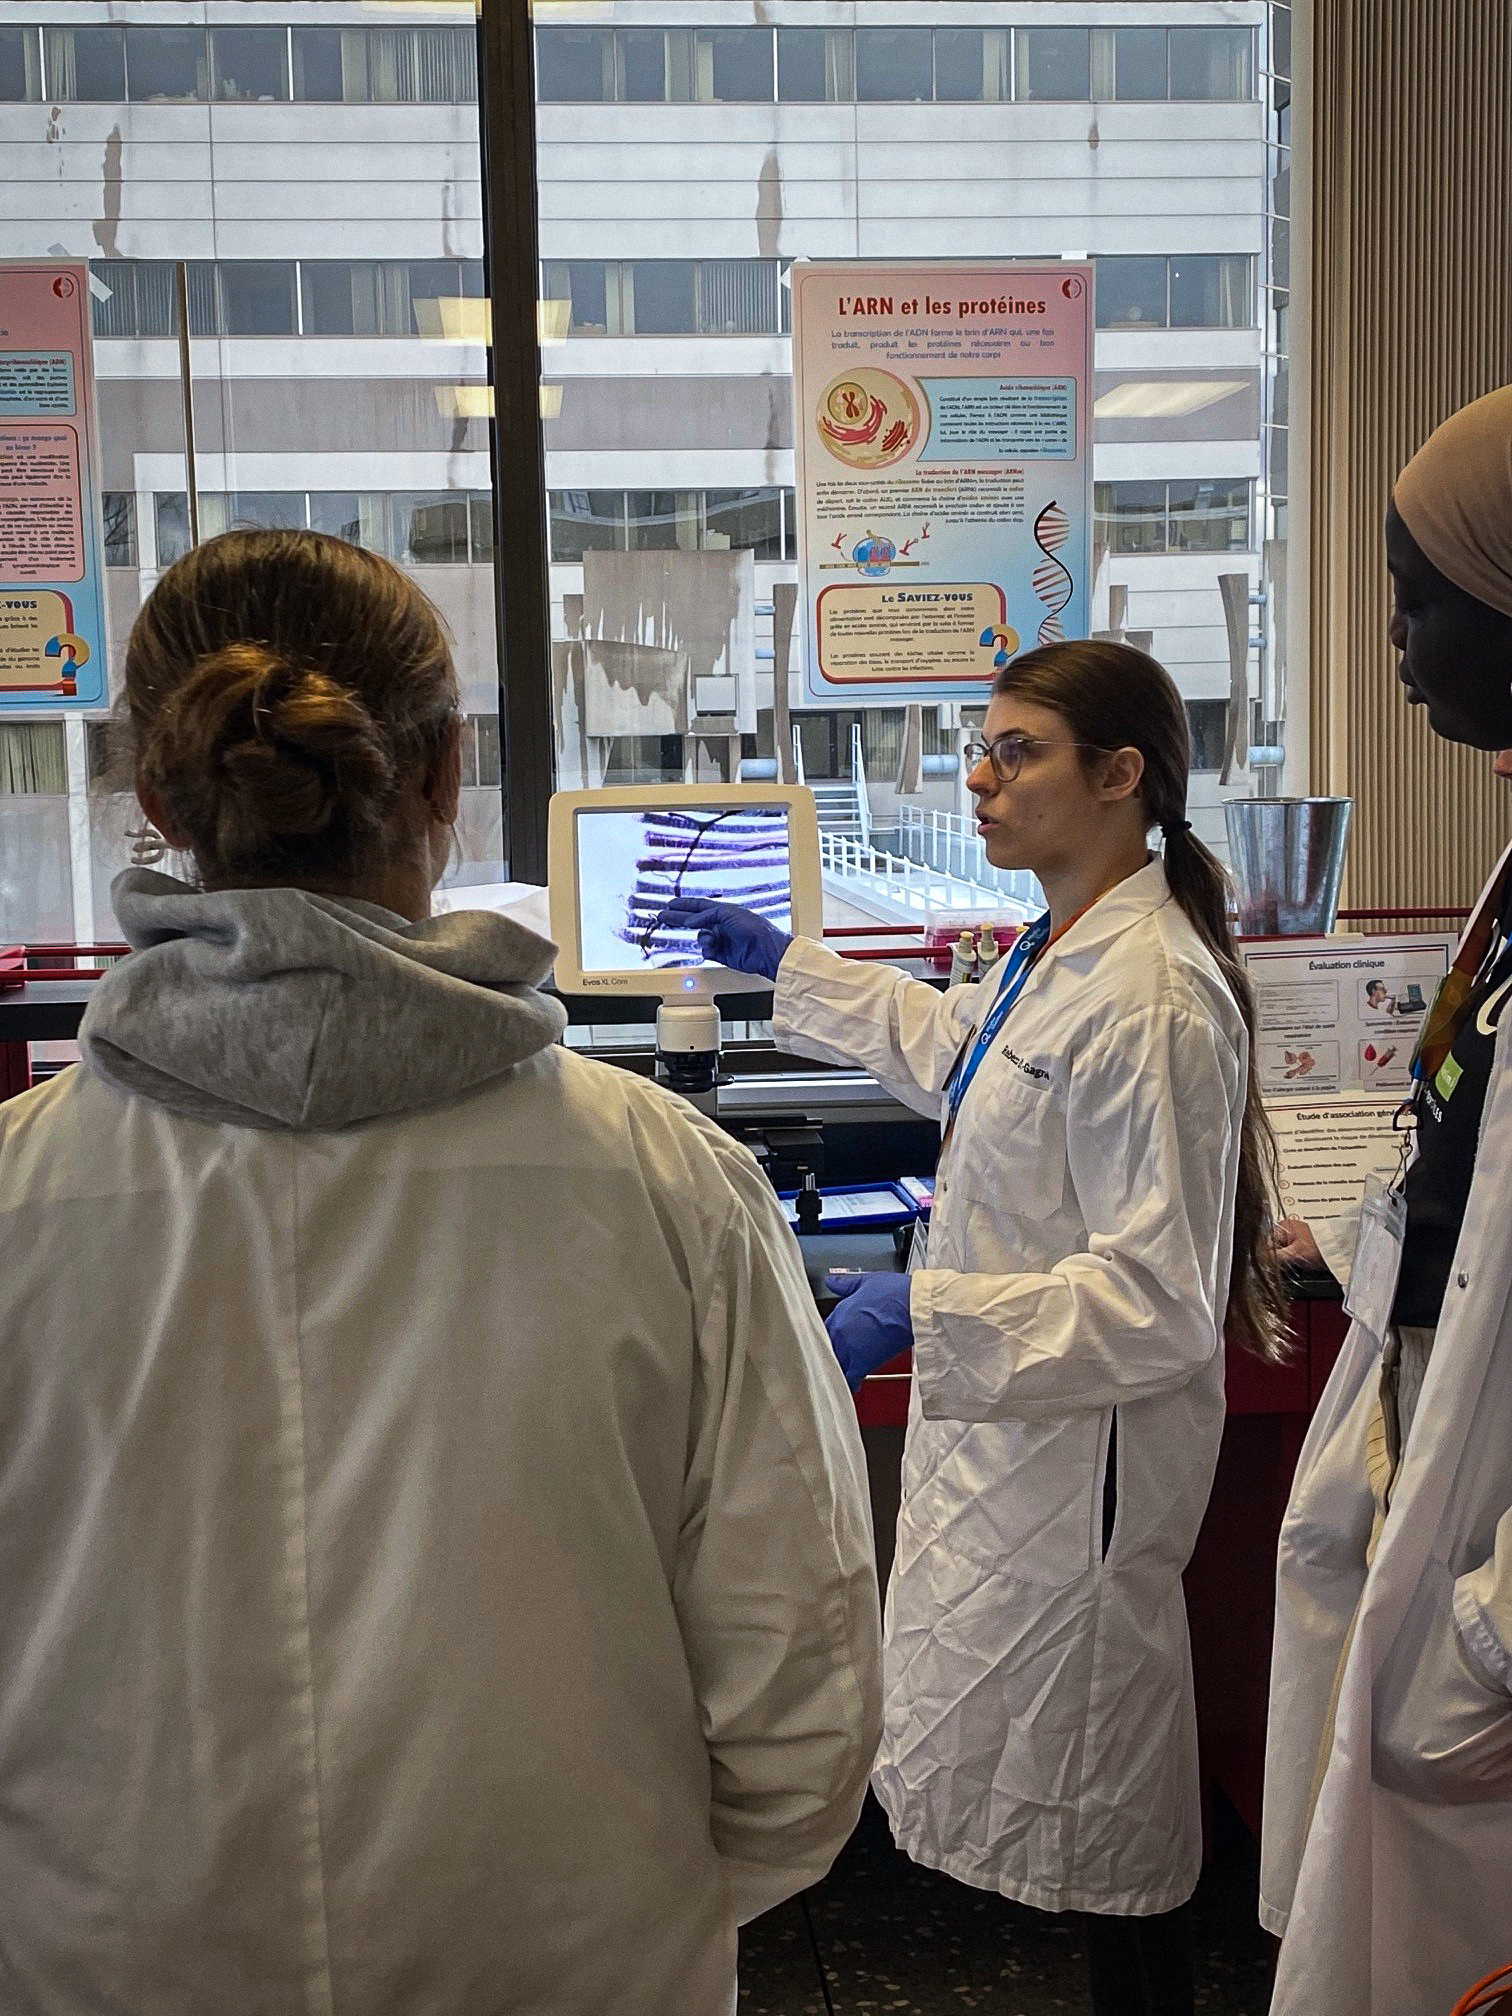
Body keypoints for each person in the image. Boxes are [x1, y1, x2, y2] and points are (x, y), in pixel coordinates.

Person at [0, 529, 883, 2015]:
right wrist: (628, 1907)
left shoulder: (19, 1194)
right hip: (573, 1960)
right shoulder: (667, 1183)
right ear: (442, 775)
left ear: (156, 797)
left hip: (108, 1964)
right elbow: (803, 1684)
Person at [668, 639, 1287, 2016]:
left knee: (1105, 1799)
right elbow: (972, 1056)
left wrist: (919, 1309)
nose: (981, 779)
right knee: (1053, 1779)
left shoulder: (1154, 994)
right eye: (980, 748)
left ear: (1121, 776)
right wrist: (792, 968)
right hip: (1026, 1450)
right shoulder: (1061, 945)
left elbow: (1159, 1306)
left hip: (1081, 1472)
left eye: (1019, 752)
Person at [1262, 386, 1512, 2016]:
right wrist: (1359, 1246)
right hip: (1432, 1465)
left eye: (1420, 597)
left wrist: (1491, 1638)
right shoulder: (1511, 872)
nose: (1398, 642)